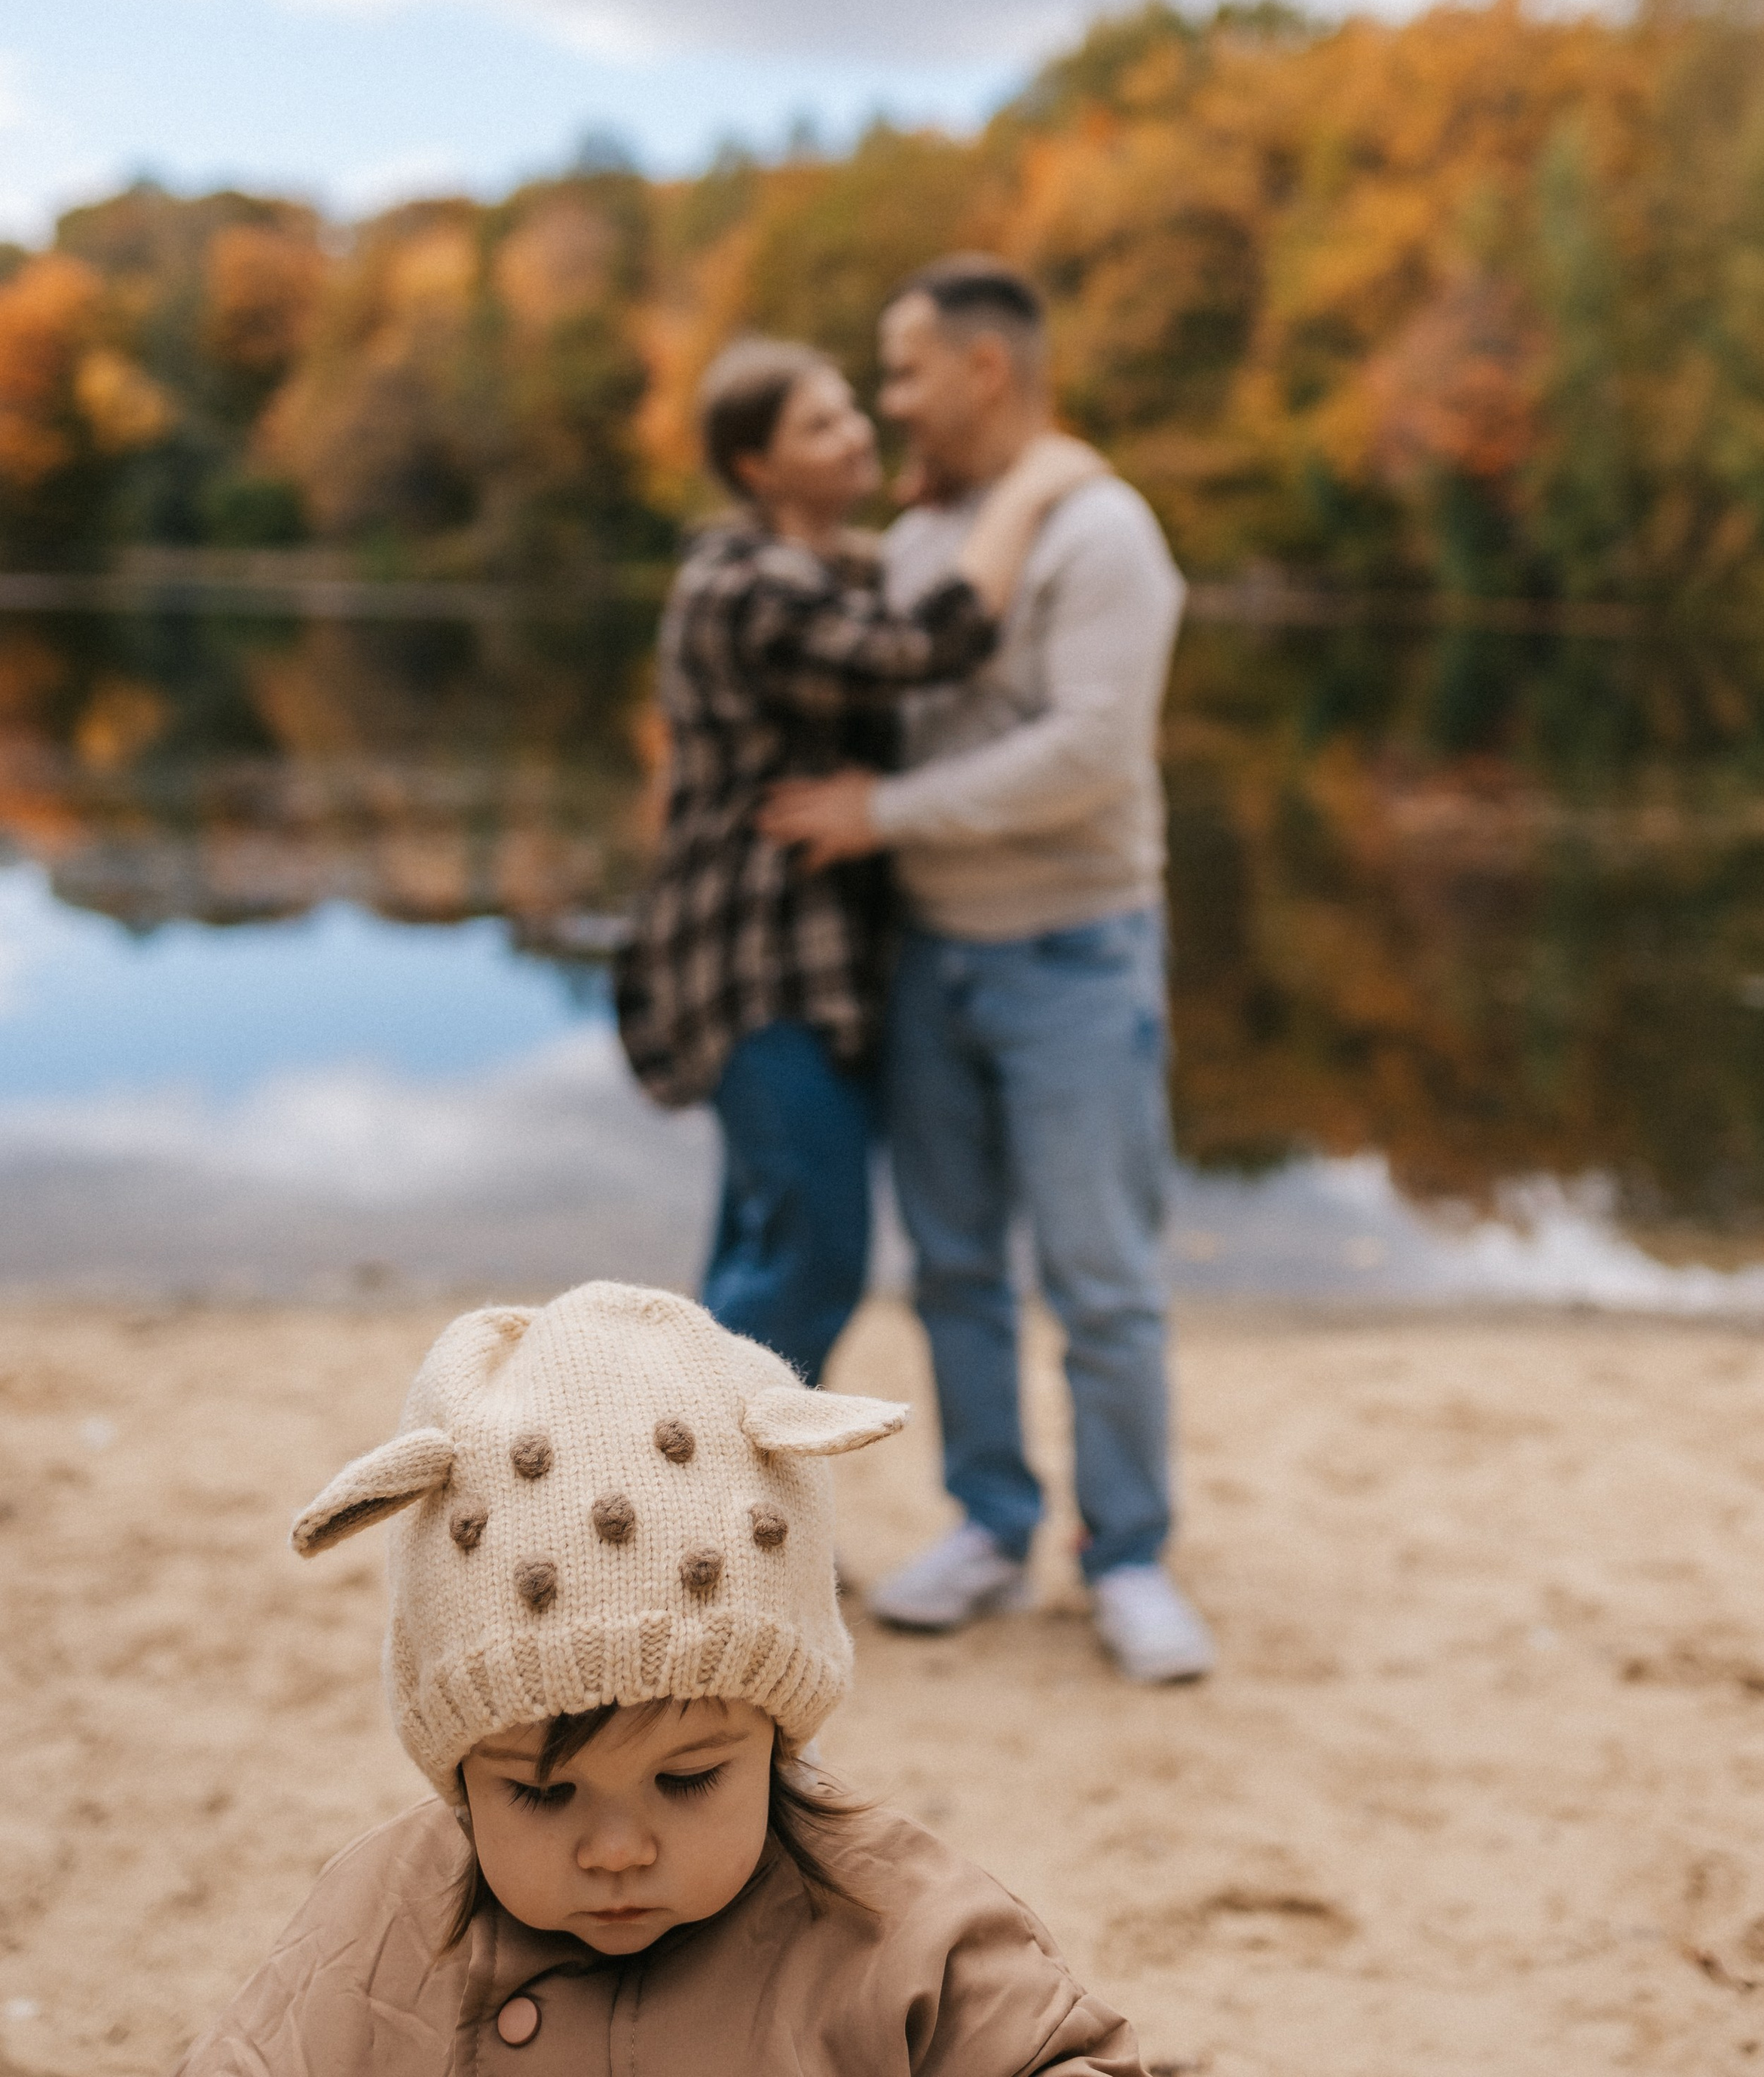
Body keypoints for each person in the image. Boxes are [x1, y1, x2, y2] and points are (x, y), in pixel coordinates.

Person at [175, 1279, 1146, 2073]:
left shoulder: (888, 1915)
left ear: (776, 1736)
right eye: (538, 1793)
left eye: (688, 1779)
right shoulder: (384, 1911)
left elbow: (1041, 2053)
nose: (615, 1850)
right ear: (458, 1770)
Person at [760, 259, 1211, 1686]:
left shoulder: (1105, 533)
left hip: (1076, 952)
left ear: (985, 372)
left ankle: (1127, 1556)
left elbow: (1088, 754)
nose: (890, 403)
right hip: (931, 957)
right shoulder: (928, 537)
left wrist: (879, 817)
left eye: (902, 374)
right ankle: (992, 1524)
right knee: (952, 1267)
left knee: (1101, 1276)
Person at [615, 337, 1099, 1388]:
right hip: (759, 968)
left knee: (761, 1239)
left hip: (805, 971)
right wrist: (1022, 498)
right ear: (757, 468)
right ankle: (701, 1504)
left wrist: (937, 508)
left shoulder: (821, 569)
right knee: (815, 1257)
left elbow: (887, 588)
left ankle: (688, 1514)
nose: (858, 432)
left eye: (852, 411)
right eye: (822, 425)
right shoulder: (743, 584)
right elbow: (916, 648)